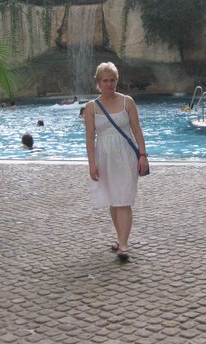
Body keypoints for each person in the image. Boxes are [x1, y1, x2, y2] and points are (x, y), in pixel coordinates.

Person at [84, 62, 148, 262]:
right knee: (113, 198)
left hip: (126, 155)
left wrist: (143, 155)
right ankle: (120, 239)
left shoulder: (127, 102)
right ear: (98, 82)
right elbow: (89, 138)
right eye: (105, 81)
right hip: (104, 157)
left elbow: (137, 130)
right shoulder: (91, 107)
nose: (109, 84)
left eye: (112, 80)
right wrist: (92, 163)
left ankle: (124, 244)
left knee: (124, 199)